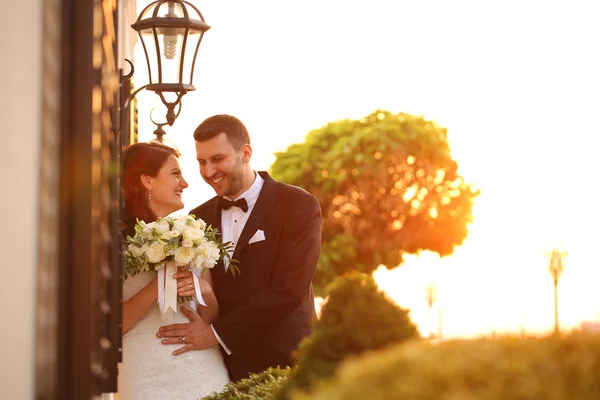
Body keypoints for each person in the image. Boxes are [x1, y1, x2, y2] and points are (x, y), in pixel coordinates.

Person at [157, 114, 322, 381]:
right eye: (202, 162)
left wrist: (215, 334)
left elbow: (289, 289)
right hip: (221, 369)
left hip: (287, 366)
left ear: (245, 153)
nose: (209, 172)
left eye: (217, 159)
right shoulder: (196, 219)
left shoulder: (298, 205)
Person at [118, 142, 229, 399]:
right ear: (147, 180)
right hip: (144, 373)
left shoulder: (191, 236)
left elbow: (209, 317)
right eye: (175, 174)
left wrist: (205, 291)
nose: (185, 183)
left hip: (202, 368)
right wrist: (157, 287)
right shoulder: (114, 243)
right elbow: (107, 327)